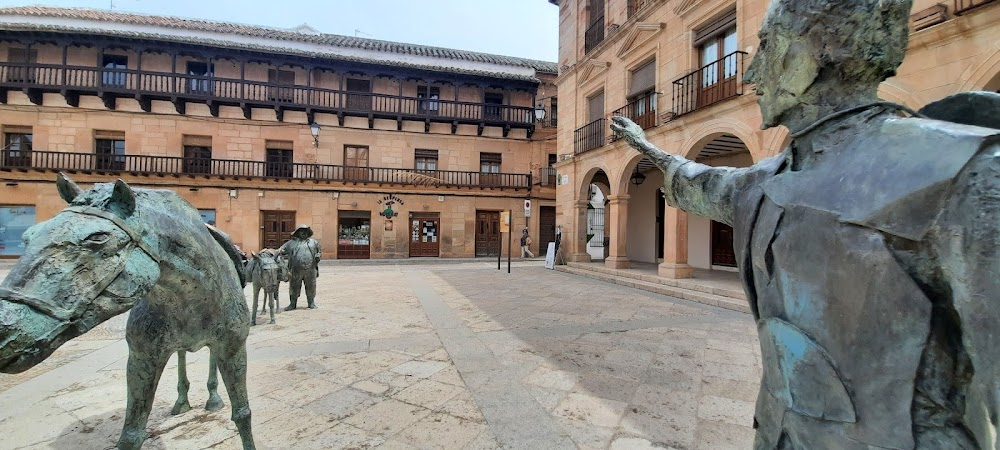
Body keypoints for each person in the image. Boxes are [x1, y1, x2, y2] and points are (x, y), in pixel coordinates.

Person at [611, 0, 999, 448]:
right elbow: (702, 182)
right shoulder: (765, 181)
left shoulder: (966, 173)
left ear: (807, 58)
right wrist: (648, 148)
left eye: (766, 49)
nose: (751, 73)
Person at [278, 224, 321, 310]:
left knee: (311, 286)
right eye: (302, 231)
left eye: (305, 231)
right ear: (298, 233)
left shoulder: (314, 242)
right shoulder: (291, 243)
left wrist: (318, 255)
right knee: (294, 286)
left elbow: (319, 251)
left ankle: (311, 303)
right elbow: (280, 251)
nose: (304, 233)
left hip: (310, 269)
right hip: (295, 269)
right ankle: (292, 304)